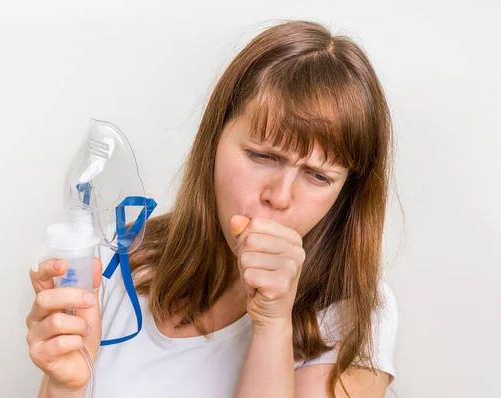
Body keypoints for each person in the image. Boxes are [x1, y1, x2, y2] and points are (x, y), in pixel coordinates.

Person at [26, 19, 398, 398]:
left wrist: (273, 325)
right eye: (262, 155)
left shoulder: (353, 312)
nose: (280, 197)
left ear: (345, 194)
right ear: (215, 141)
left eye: (318, 176)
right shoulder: (116, 262)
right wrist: (64, 385)